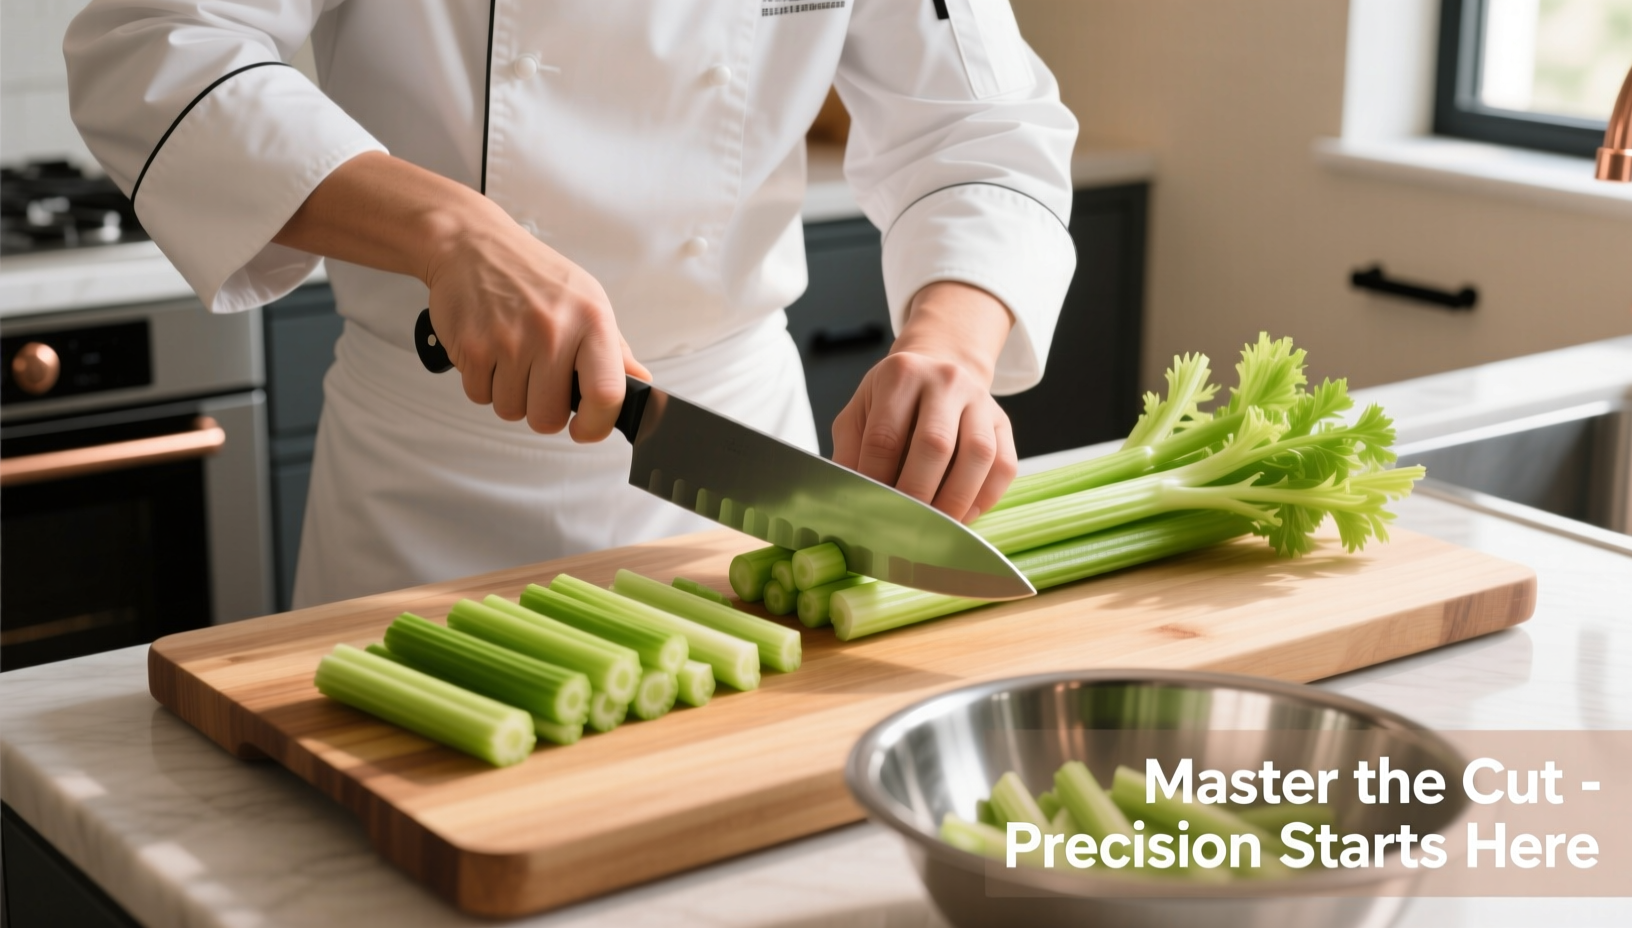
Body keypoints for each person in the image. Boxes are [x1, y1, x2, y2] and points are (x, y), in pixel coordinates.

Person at [65, 1, 1078, 609]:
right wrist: (452, 232)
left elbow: (981, 126)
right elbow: (157, 45)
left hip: (728, 477)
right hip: (423, 491)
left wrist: (951, 342)